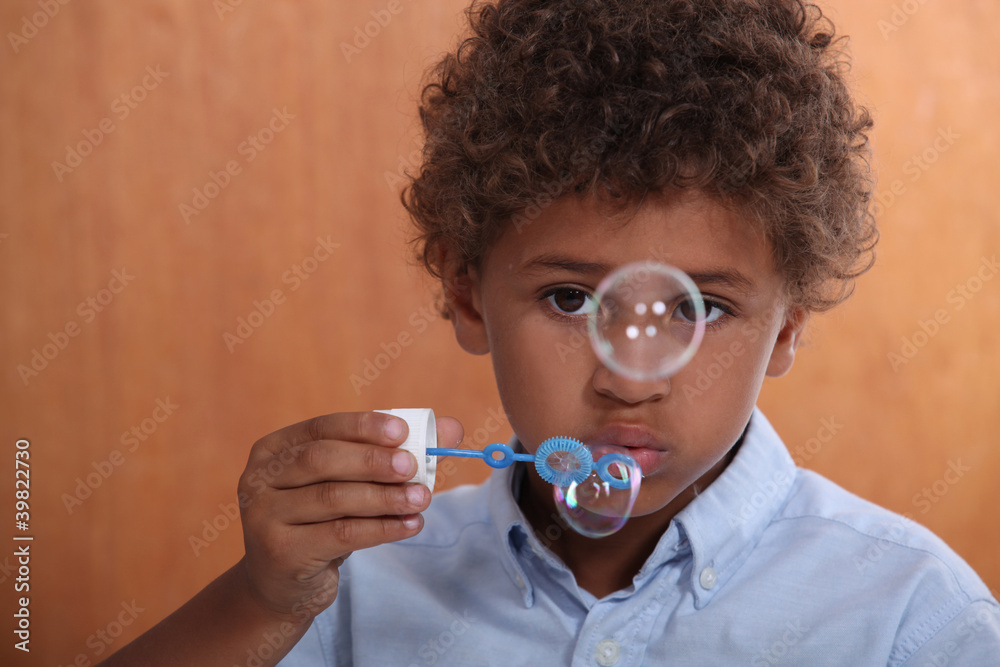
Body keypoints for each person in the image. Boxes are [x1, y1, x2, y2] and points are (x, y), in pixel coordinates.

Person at [102, 0, 1000, 664]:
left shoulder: (910, 615)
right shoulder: (352, 588)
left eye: (699, 307)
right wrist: (259, 602)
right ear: (466, 294)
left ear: (788, 328)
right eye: (572, 299)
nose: (631, 377)